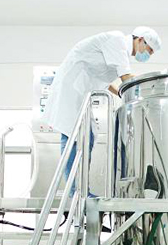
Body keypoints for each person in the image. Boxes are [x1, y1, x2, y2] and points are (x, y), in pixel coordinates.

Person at [42, 27, 161, 191]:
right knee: (72, 136)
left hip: (81, 92)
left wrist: (119, 93)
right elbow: (126, 78)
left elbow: (107, 80)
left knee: (88, 137)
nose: (147, 55)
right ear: (140, 40)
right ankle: (74, 191)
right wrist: (147, 92)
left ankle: (82, 189)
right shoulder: (117, 40)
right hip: (72, 88)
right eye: (149, 50)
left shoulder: (119, 51)